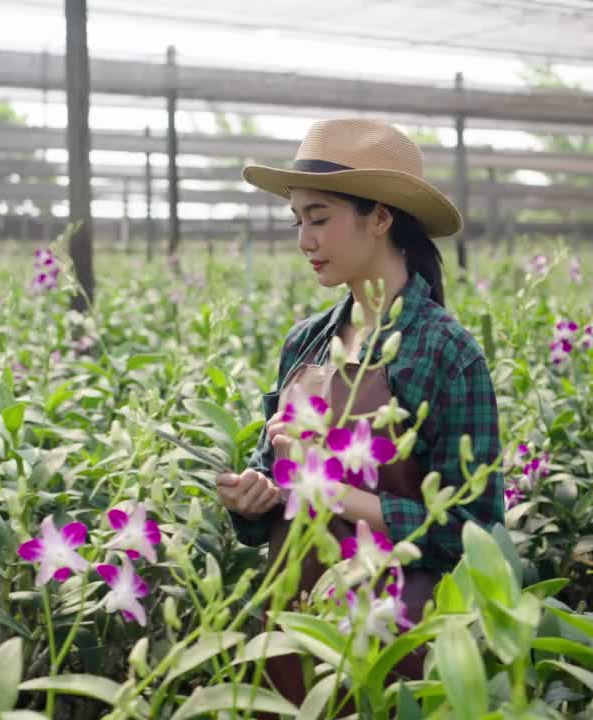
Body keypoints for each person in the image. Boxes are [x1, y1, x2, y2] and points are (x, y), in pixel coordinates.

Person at [214, 117, 505, 702]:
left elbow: (473, 530)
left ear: (380, 217)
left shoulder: (446, 353)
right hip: (292, 618)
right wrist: (253, 495)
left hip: (395, 633)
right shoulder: (306, 342)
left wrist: (330, 491)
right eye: (298, 221)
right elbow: (276, 479)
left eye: (319, 219)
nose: (305, 240)